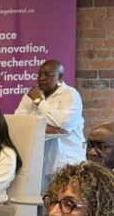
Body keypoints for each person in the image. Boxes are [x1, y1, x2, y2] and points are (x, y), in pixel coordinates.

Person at [14, 59, 85, 190]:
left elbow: (62, 122)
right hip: (39, 162)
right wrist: (45, 127)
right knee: (40, 205)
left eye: (47, 75)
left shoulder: (70, 94)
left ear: (60, 76)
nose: (41, 78)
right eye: (39, 74)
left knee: (63, 203)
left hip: (65, 163)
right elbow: (19, 121)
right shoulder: (31, 94)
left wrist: (38, 101)